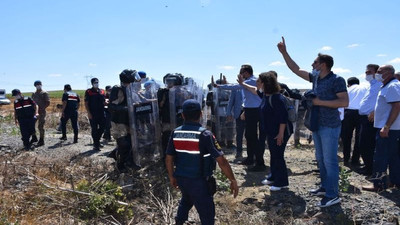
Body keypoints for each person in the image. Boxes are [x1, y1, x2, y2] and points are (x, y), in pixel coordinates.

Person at [278, 37, 348, 207]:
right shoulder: (316, 78)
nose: (312, 65)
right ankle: (325, 187)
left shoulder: (337, 80)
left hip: (330, 126)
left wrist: (319, 102)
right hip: (317, 124)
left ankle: (333, 194)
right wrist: (284, 52)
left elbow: (344, 102)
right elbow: (295, 69)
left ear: (323, 64)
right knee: (321, 158)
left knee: (330, 160)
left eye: (315, 62)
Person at [165, 99, 238, 225]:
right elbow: (222, 161)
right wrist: (233, 180)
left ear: (182, 115)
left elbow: (169, 158)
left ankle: (179, 222)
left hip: (182, 178)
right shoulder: (205, 134)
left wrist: (172, 176)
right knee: (207, 214)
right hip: (199, 181)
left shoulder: (175, 132)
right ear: (200, 114)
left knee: (186, 200)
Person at [239, 72, 293, 191]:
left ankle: (281, 182)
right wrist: (242, 84)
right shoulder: (266, 96)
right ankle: (273, 176)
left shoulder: (276, 98)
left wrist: (280, 134)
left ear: (264, 83)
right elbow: (254, 90)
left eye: (258, 81)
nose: (256, 83)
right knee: (274, 154)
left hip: (280, 132)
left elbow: (283, 118)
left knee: (278, 156)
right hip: (272, 131)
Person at [213, 65, 264, 172]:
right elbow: (235, 86)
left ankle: (257, 161)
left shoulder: (251, 81)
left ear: (246, 73)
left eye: (241, 73)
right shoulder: (250, 81)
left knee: (252, 136)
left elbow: (235, 86)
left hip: (254, 110)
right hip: (250, 110)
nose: (240, 75)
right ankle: (250, 158)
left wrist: (219, 86)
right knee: (249, 135)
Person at [362, 65, 400, 191]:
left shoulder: (392, 86)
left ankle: (378, 185)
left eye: (379, 72)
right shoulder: (387, 86)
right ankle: (394, 182)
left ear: (388, 73)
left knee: (381, 156)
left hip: (389, 129)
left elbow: (396, 106)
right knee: (393, 156)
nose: (377, 74)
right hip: (390, 128)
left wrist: (387, 126)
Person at [108, 69, 141, 171]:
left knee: (131, 143)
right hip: (119, 122)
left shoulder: (131, 89)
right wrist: (129, 108)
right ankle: (120, 166)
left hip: (128, 121)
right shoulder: (118, 89)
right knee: (124, 144)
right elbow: (112, 106)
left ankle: (125, 160)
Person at [358, 64, 381, 176]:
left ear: (376, 73)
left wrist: (374, 112)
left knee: (367, 144)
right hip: (364, 118)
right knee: (364, 144)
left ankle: (371, 169)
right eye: (366, 72)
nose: (367, 74)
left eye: (369, 72)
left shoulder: (379, 85)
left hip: (371, 118)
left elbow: (382, 101)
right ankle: (368, 167)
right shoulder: (371, 85)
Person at [341, 77, 367, 166]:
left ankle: (346, 158)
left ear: (348, 84)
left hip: (348, 112)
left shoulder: (347, 89)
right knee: (358, 137)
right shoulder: (364, 88)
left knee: (346, 137)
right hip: (361, 113)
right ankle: (355, 159)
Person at [84, 78, 106, 151]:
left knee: (103, 127)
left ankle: (97, 141)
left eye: (97, 82)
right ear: (92, 83)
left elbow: (104, 101)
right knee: (94, 129)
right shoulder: (89, 92)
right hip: (93, 113)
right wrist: (89, 113)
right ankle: (96, 144)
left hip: (102, 113)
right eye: (95, 82)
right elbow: (86, 103)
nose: (96, 83)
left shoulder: (102, 91)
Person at [226, 87, 245, 159]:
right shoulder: (236, 89)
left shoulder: (250, 87)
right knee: (239, 134)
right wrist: (228, 113)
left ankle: (252, 153)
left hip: (249, 112)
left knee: (250, 134)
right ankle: (239, 151)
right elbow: (231, 101)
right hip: (238, 113)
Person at [31, 80, 50, 146]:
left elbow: (48, 102)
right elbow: (32, 103)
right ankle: (34, 137)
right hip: (34, 112)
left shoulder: (45, 93)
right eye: (37, 84)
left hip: (42, 112)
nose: (39, 85)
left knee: (40, 126)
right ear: (35, 86)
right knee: (32, 125)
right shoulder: (33, 94)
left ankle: (41, 140)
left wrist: (42, 109)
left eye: (40, 84)